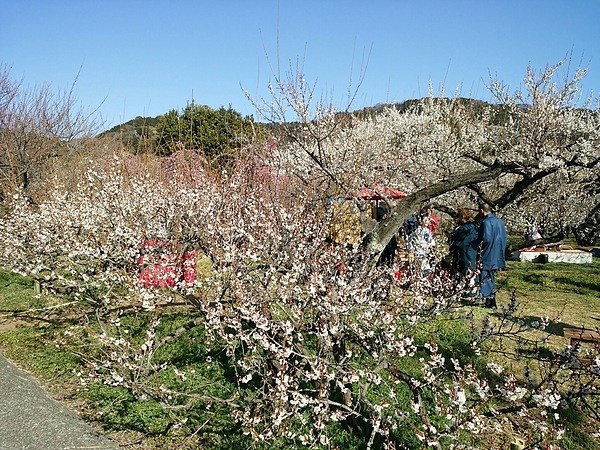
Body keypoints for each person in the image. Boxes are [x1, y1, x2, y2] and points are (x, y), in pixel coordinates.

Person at [477, 203, 507, 308]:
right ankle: (490, 300)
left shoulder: (486, 222)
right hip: (498, 252)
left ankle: (490, 300)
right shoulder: (500, 221)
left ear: (482, 210)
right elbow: (504, 237)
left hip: (488, 253)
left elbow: (486, 238)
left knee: (485, 276)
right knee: (491, 277)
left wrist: (479, 246)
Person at [449, 208, 479, 277]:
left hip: (462, 257)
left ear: (462, 217)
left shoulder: (463, 229)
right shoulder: (475, 228)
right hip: (472, 256)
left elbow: (455, 243)